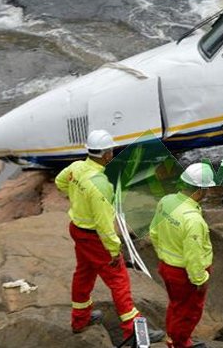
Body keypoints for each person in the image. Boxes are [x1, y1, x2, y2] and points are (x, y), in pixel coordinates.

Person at [55, 129, 163, 342]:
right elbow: (105, 226)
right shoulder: (101, 184)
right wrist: (115, 251)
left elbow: (60, 182)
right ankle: (133, 332)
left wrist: (78, 201)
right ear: (106, 155)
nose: (113, 154)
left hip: (78, 230)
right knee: (119, 281)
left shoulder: (77, 167)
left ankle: (80, 318)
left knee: (84, 274)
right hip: (95, 238)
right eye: (111, 151)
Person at [149, 163, 217, 348]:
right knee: (189, 312)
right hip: (186, 274)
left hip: (167, 266)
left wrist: (163, 254)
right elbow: (193, 254)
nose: (208, 193)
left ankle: (173, 338)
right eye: (207, 189)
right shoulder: (193, 220)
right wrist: (199, 279)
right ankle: (178, 343)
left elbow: (153, 232)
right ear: (200, 191)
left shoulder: (167, 200)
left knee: (176, 305)